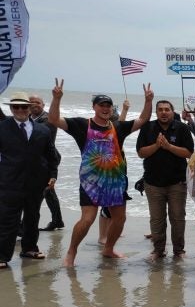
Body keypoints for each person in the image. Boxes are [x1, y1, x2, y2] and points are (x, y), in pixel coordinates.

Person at [48, 79, 153, 266]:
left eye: (108, 106)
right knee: (87, 219)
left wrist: (148, 101)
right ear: (94, 107)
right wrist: (56, 99)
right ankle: (71, 252)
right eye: (101, 105)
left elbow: (143, 119)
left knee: (120, 218)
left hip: (115, 181)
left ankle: (109, 248)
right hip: (91, 182)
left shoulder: (118, 127)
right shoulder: (82, 125)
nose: (105, 108)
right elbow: (54, 120)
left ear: (112, 109)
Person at [0, 95, 59, 269]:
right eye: (16, 107)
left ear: (30, 108)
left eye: (23, 107)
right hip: (10, 182)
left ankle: (29, 249)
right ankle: (2, 255)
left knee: (33, 216)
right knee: (8, 219)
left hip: (36, 182)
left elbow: (51, 156)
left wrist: (53, 175)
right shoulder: (2, 128)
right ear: (11, 109)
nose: (20, 110)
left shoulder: (43, 130)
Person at [136, 100, 195, 260]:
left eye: (167, 109)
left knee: (177, 218)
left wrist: (169, 147)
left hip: (177, 182)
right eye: (160, 109)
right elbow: (141, 152)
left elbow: (190, 153)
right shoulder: (148, 128)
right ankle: (158, 250)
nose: (163, 112)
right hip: (153, 182)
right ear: (156, 112)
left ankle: (179, 251)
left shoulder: (182, 128)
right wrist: (156, 146)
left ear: (172, 111)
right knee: (156, 220)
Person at [28, 94, 65, 231]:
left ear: (43, 105)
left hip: (48, 160)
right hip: (36, 161)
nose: (34, 104)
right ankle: (57, 220)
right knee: (48, 191)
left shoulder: (47, 119)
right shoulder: (28, 118)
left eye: (37, 102)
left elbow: (36, 135)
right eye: (31, 102)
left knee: (40, 191)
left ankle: (25, 225)